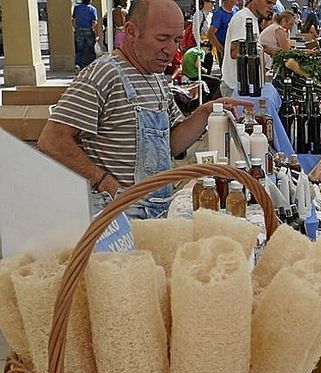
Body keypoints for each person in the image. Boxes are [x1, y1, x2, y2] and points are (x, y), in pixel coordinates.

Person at [38, 0, 248, 220]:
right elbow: (51, 140)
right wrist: (104, 182)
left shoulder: (156, 78)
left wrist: (205, 113)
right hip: (118, 217)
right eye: (162, 38)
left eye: (177, 40)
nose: (171, 50)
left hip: (155, 211)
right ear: (131, 31)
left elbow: (171, 143)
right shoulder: (103, 74)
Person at [220, 0, 277, 96]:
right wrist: (260, 49)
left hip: (242, 87)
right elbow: (234, 52)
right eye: (268, 2)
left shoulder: (250, 18)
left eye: (273, 4)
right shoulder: (243, 18)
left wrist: (264, 48)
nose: (271, 7)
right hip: (236, 88)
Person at [72, 0, 100, 72]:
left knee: (79, 49)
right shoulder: (92, 9)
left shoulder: (76, 8)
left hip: (79, 30)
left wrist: (75, 29)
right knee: (91, 49)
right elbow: (94, 22)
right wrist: (97, 35)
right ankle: (92, 66)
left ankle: (78, 64)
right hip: (89, 30)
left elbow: (74, 20)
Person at [208, 0, 238, 66]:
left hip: (235, 45)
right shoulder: (219, 14)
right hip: (224, 45)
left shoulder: (236, 10)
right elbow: (210, 35)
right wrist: (222, 50)